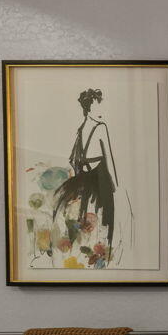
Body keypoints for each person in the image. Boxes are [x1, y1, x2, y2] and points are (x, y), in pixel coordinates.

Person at [51, 86, 118, 260]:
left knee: (84, 227)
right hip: (100, 182)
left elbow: (74, 161)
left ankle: (87, 256)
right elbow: (109, 160)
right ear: (88, 108)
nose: (101, 111)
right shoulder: (101, 127)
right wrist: (118, 187)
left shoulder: (81, 129)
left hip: (83, 183)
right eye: (97, 106)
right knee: (102, 225)